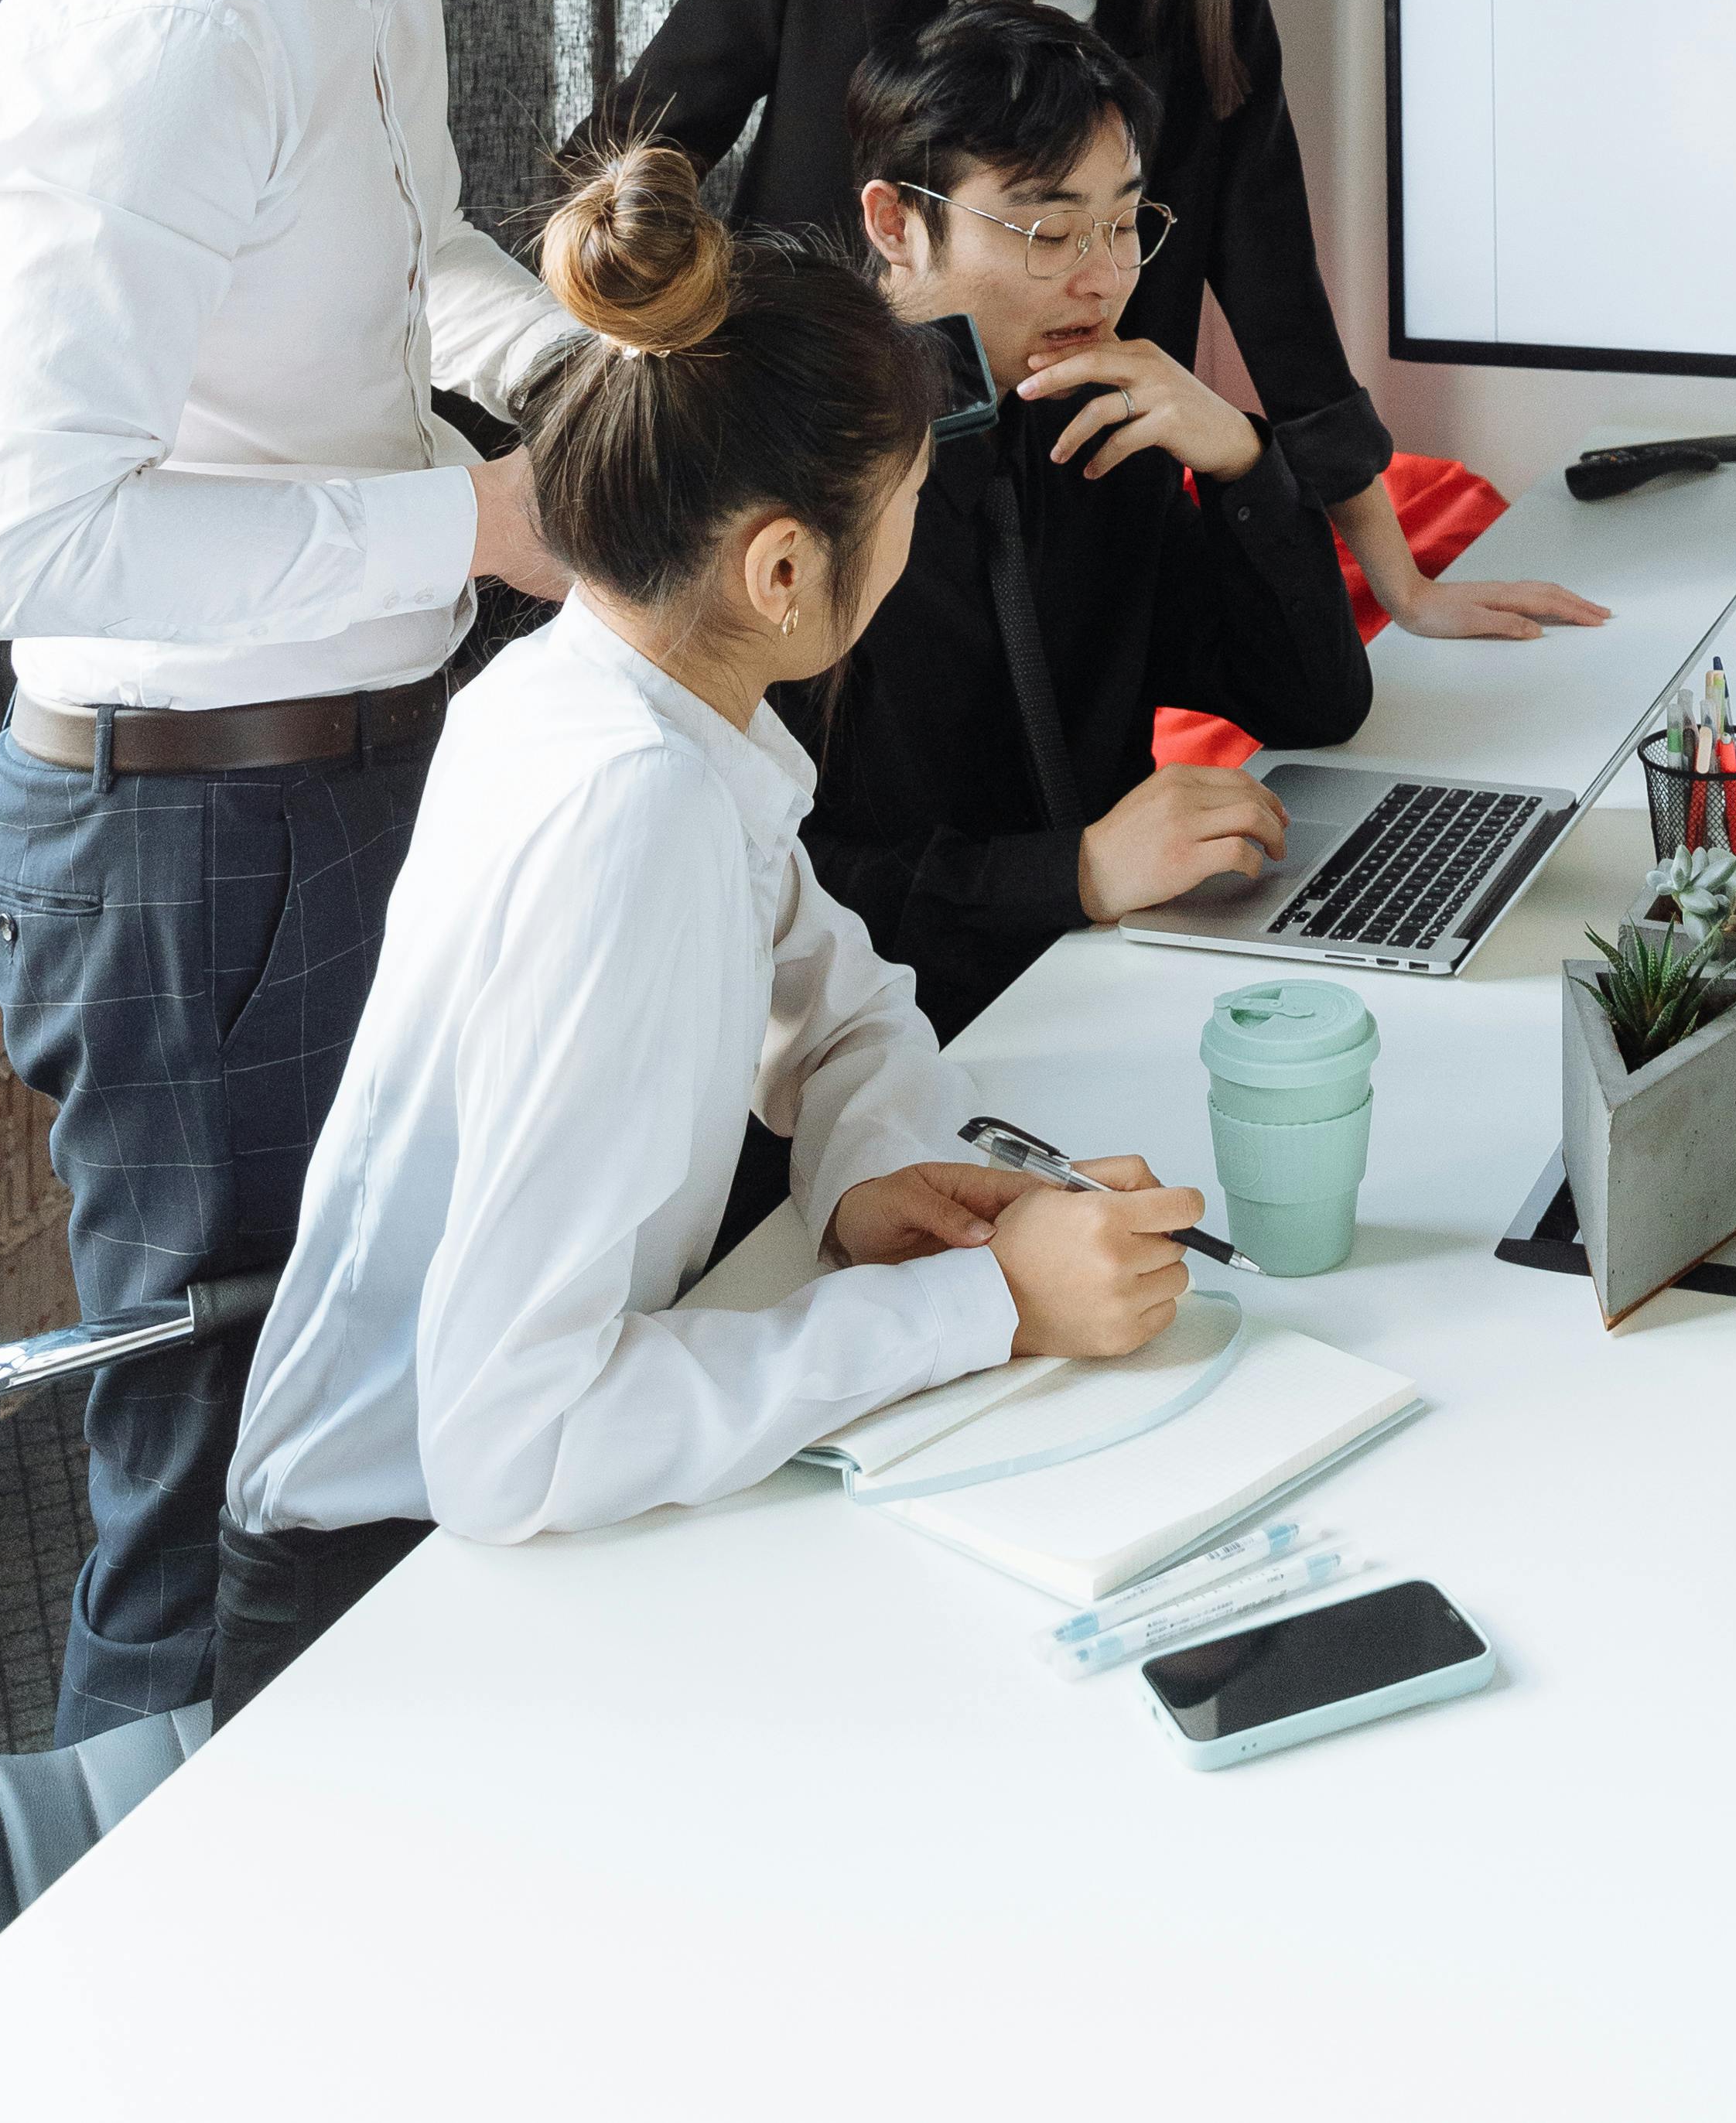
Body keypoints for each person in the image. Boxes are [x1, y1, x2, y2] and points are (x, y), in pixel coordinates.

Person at [0, 0, 763, 1736]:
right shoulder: (169, 18)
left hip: (342, 777)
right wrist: (468, 525)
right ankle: (86, 2014)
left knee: (376, 1403)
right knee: (220, 1464)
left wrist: (593, 379)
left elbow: (415, 277)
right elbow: (25, 542)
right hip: (182, 843)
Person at [214, 141, 1196, 1722]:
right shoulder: (632, 809)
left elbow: (844, 999)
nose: (911, 545)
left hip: (478, 1533)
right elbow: (509, 1442)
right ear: (787, 566)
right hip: (376, 1604)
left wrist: (878, 1166)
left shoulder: (626, 696)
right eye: (907, 514)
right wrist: (983, 1303)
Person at [610, 0, 1606, 650]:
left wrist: (1403, 585)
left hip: (1079, 501)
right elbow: (636, 161)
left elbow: (1276, 296)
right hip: (822, 496)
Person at [784, 2, 1375, 1038]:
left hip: (1120, 987)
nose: (1102, 278)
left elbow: (1313, 704)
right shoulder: (794, 473)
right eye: (1050, 232)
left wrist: (1242, 461)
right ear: (894, 224)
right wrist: (1078, 870)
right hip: (894, 1051)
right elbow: (785, 893)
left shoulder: (1100, 418)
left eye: (1123, 224)